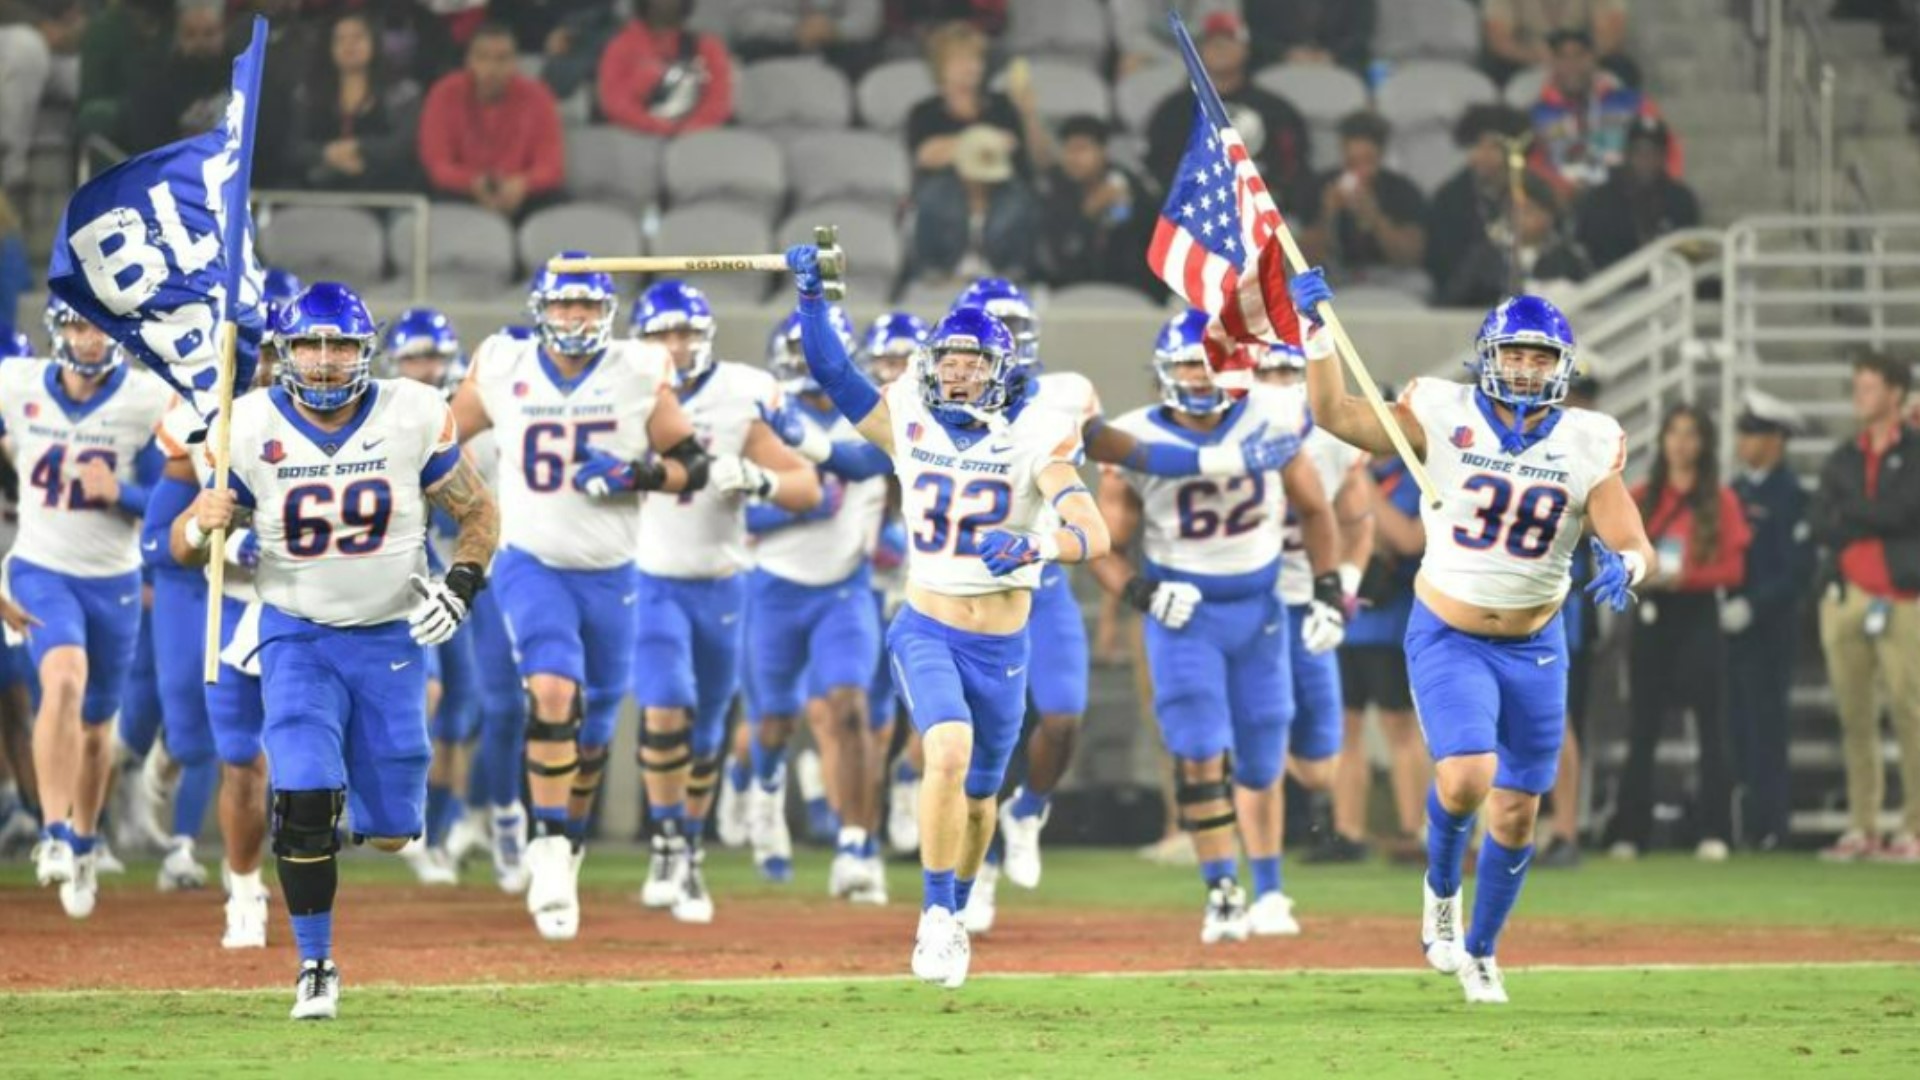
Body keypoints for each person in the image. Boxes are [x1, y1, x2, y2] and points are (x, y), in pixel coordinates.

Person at [1298, 269, 1656, 1005]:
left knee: (1519, 809)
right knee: (1465, 776)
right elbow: (1334, 412)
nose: (1527, 368)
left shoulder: (1591, 439)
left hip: (1536, 642)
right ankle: (1438, 894)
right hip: (1450, 632)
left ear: (1563, 366)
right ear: (1489, 356)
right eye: (1516, 353)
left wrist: (1631, 566)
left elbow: (1631, 536)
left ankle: (1485, 953)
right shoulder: (1441, 410)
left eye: (1541, 357)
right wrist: (1317, 336)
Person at [784, 241, 1112, 990]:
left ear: (1003, 369)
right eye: (950, 360)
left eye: (974, 362)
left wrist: (1036, 545)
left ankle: (957, 907)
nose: (959, 372)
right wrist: (813, 302)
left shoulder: (1036, 429)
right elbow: (836, 373)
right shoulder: (907, 413)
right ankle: (934, 916)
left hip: (1002, 644)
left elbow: (1095, 533)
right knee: (949, 749)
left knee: (981, 800)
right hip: (926, 623)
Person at [175, 281, 499, 1021]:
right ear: (285, 353)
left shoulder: (412, 412)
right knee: (302, 797)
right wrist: (203, 524)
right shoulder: (245, 423)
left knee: (391, 833)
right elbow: (184, 551)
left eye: (341, 345)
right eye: (311, 345)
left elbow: (476, 510)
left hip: (388, 634)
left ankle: (335, 813)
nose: (325, 362)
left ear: (365, 350)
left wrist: (462, 583)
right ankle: (315, 964)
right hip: (297, 631)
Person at [944, 278, 1300, 936]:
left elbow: (1121, 453)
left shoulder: (1066, 394)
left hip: (1036, 582)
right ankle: (977, 873)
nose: (991, 353)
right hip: (950, 595)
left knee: (1063, 718)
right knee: (975, 743)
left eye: (1010, 331)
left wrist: (1217, 458)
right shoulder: (917, 402)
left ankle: (1030, 813)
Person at [448, 256, 710, 940]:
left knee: (592, 735)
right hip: (531, 563)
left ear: (608, 314)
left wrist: (637, 471)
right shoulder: (504, 363)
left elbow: (694, 464)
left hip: (614, 573)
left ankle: (565, 836)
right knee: (554, 693)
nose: (575, 319)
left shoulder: (636, 370)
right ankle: (552, 848)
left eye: (588, 308)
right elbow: (439, 439)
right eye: (563, 307)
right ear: (540, 309)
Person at [1090, 309, 1339, 942]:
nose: (1198, 377)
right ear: (1161, 373)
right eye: (1185, 365)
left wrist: (1330, 589)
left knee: (1261, 760)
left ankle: (1273, 887)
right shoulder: (1132, 437)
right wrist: (1142, 593)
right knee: (1200, 751)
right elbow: (1100, 544)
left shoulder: (1271, 421)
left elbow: (1316, 509)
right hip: (1185, 614)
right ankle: (1222, 890)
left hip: (1260, 612)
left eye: (1207, 362)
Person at [629, 281, 820, 917]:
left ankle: (688, 851)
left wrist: (759, 478)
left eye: (686, 333)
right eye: (662, 334)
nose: (676, 346)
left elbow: (806, 486)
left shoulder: (740, 392)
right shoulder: (618, 392)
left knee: (708, 730)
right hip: (648, 578)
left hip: (721, 581)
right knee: (666, 706)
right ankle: (666, 841)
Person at [11, 297, 172, 920]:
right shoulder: (17, 385)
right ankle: (52, 829)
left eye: (99, 327)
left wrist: (123, 492)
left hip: (114, 580)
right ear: (56, 331)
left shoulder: (142, 399)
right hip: (41, 567)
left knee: (99, 727)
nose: (87, 338)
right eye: (77, 324)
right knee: (64, 678)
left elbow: (171, 496)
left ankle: (83, 840)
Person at [750, 303, 894, 900]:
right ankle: (762, 792)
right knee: (776, 721)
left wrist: (897, 539)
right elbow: (738, 517)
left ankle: (857, 844)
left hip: (845, 589)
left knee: (852, 709)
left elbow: (904, 486)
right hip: (773, 584)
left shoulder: (873, 414)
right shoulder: (760, 418)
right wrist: (802, 505)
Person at [141, 342, 276, 946]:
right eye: (259, 352)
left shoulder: (356, 417)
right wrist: (206, 527)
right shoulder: (197, 423)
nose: (270, 366)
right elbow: (163, 542)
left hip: (325, 607)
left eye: (285, 350)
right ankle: (244, 886)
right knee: (241, 757)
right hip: (237, 604)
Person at [1604, 405, 1749, 861]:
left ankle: (1715, 830)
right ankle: (1630, 832)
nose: (1682, 443)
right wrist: (1640, 575)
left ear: (1703, 444)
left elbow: (1734, 567)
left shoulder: (1720, 500)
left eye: (1691, 434)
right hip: (1653, 614)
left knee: (1711, 726)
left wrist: (1686, 576)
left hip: (1698, 613)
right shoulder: (1644, 495)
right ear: (1663, 441)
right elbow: (1617, 552)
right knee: (1642, 726)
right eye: (1674, 433)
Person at [1253, 342, 1373, 876]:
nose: (1279, 381)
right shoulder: (1227, 432)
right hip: (1247, 603)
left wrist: (1342, 586)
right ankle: (1259, 878)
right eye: (1268, 370)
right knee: (1258, 729)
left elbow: (1358, 522)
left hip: (1306, 602)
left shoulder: (1332, 441)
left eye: (1288, 370)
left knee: (1321, 768)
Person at [1810, 352, 1920, 863]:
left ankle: (1913, 827)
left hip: (1904, 592)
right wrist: (1877, 518)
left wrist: (1859, 515)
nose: (1860, 396)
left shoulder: (1915, 452)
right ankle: (1863, 825)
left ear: (1896, 393)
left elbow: (1907, 511)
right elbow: (1823, 521)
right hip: (1847, 592)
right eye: (1857, 386)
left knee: (1910, 711)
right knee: (1855, 715)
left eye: (1870, 387)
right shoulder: (1842, 457)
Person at [380, 308, 476, 886]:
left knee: (465, 708)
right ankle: (403, 818)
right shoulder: (383, 412)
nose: (426, 366)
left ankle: (443, 830)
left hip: (466, 572)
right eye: (415, 356)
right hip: (410, 571)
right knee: (430, 690)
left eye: (433, 355)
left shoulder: (470, 410)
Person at [1321, 445, 1430, 865]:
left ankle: (1414, 829)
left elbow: (1404, 539)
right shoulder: (1342, 474)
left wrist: (1361, 488)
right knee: (1343, 727)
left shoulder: (1412, 477)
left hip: (1392, 620)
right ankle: (1347, 831)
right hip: (1345, 620)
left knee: (1398, 724)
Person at [1725, 390, 1812, 852]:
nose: (1744, 439)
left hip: (1770, 630)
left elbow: (1796, 570)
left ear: (1777, 439)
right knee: (1735, 726)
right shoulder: (1734, 493)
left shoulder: (1792, 496)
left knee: (1767, 728)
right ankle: (1740, 822)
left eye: (1754, 431)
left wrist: (1753, 606)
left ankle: (1772, 824)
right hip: (1729, 628)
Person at [1147, 13, 1312, 212]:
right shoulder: (1172, 112)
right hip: (1193, 218)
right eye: (1212, 42)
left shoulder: (1276, 110)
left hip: (1262, 214)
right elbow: (1158, 171)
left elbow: (1294, 168)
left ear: (1246, 49)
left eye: (1229, 41)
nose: (1220, 48)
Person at [418, 21, 566, 220]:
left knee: (557, 202)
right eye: (483, 57)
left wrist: (522, 185)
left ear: (516, 62)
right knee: (432, 195)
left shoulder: (539, 96)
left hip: (522, 192)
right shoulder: (443, 93)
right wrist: (472, 183)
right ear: (468, 60)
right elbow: (438, 164)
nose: (492, 68)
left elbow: (551, 166)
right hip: (463, 191)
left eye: (502, 59)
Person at [1529, 29, 1678, 206]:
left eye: (1579, 56)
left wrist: (1667, 190)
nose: (1572, 65)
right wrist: (1557, 189)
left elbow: (1666, 146)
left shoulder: (1631, 102)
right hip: (1563, 206)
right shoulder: (1538, 113)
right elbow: (1533, 166)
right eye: (1563, 57)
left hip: (1628, 202)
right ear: (1552, 63)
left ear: (1593, 59)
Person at [1425, 105, 1558, 299]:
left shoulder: (1534, 191)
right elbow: (1444, 265)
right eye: (1476, 145)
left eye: (1494, 146)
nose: (1483, 154)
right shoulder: (1449, 199)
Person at [284, 11, 423, 192]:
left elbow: (402, 147)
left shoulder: (403, 93)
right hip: (317, 192)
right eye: (340, 39)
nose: (349, 45)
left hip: (386, 192)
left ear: (375, 42)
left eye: (358, 37)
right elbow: (292, 147)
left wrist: (359, 147)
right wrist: (326, 153)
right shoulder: (306, 94)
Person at [1303, 111, 1428, 299]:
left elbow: (1409, 258)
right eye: (1352, 162)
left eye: (1368, 162)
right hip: (1335, 274)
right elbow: (1304, 260)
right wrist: (1327, 216)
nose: (1359, 171)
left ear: (1381, 156)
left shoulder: (1403, 190)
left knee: (1420, 284)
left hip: (1387, 275)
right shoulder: (1320, 185)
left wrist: (1375, 219)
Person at [905, 21, 1050, 182]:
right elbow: (927, 156)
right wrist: (988, 142)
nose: (971, 68)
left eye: (976, 59)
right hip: (950, 197)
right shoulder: (925, 112)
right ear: (940, 67)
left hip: (1007, 193)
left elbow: (1042, 162)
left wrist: (1029, 116)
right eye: (960, 60)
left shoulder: (1003, 104)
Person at [1040, 115, 1158, 297]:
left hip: (1129, 290)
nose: (1073, 158)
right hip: (1072, 291)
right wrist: (1089, 213)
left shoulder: (1129, 185)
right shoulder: (1056, 188)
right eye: (1068, 150)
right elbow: (1060, 254)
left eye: (1081, 149)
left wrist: (1129, 209)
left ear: (1102, 151)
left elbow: (1148, 238)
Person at [908, 122, 1039, 284]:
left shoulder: (1018, 200)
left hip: (1001, 285)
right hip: (943, 285)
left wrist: (1003, 281)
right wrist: (941, 280)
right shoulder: (934, 197)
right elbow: (924, 256)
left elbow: (1022, 258)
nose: (981, 182)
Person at [1574, 117, 1702, 272]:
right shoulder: (1599, 200)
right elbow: (1587, 254)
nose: (1646, 160)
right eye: (1639, 151)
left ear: (1664, 158)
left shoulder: (1681, 199)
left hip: (1671, 287)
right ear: (1626, 154)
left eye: (1654, 153)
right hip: (1612, 289)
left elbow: (1692, 254)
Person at [597, 0, 734, 138]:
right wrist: (656, 126)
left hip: (696, 142)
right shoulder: (620, 47)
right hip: (634, 139)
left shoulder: (708, 47)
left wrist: (690, 129)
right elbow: (614, 102)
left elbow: (719, 101)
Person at [1440, 192, 1591, 310]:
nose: (1520, 218)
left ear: (1548, 216)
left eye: (1529, 210)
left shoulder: (1569, 258)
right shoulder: (1485, 257)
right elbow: (1454, 301)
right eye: (1516, 211)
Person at [119, 0, 228, 153]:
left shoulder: (243, 79)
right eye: (190, 35)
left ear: (223, 34)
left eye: (209, 34)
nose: (200, 43)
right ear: (177, 38)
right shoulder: (154, 89)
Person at [0, 0, 83, 190]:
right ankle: (8, 179)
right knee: (26, 47)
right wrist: (39, 24)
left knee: (80, 74)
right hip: (14, 33)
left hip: (58, 46)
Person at [1482, 0, 1633, 88]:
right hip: (1529, 55)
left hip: (1584, 52)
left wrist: (1579, 58)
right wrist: (1531, 55)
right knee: (1494, 68)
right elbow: (1498, 39)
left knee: (1621, 67)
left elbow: (1612, 33)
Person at [727, 0, 881, 73]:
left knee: (861, 55)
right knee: (750, 49)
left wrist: (832, 28)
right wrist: (795, 27)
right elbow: (743, 19)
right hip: (775, 42)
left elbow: (867, 19)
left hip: (834, 42)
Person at [1111, 0, 1240, 76]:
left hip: (1205, 58)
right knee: (1130, 63)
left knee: (1226, 59)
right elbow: (1131, 35)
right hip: (1156, 58)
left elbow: (1227, 31)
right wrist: (1180, 63)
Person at [1244, 0, 1374, 75]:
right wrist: (1286, 53)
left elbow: (1361, 33)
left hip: (1343, 64)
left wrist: (1330, 55)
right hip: (1273, 65)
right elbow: (1252, 33)